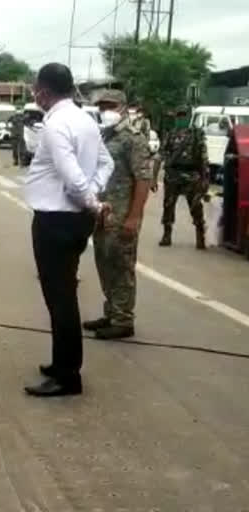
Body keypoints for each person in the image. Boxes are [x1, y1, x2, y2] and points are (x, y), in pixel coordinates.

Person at [22, 63, 114, 397]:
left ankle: (67, 375)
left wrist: (90, 199)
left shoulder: (57, 124)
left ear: (43, 92)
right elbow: (106, 163)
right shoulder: (84, 120)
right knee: (63, 294)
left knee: (59, 298)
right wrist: (94, 194)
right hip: (74, 219)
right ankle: (62, 363)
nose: (35, 95)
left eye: (36, 90)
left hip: (56, 220)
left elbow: (70, 174)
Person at [85, 90, 151, 340]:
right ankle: (111, 311)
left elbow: (143, 180)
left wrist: (134, 217)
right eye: (101, 106)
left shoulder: (133, 138)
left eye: (110, 106)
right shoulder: (105, 135)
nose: (105, 111)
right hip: (103, 213)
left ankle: (123, 319)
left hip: (123, 215)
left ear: (123, 108)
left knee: (122, 266)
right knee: (104, 262)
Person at [158, 106, 209, 249]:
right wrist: (154, 175)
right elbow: (161, 154)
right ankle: (166, 235)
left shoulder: (197, 135)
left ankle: (200, 235)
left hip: (191, 175)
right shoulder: (171, 134)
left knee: (196, 206)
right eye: (178, 116)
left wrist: (205, 179)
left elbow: (204, 158)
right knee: (168, 206)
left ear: (189, 117)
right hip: (173, 175)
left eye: (183, 115)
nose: (181, 118)